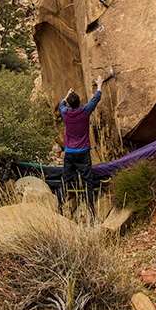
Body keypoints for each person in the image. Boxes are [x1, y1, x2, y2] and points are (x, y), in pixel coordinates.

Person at [57, 75, 104, 215]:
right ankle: (91, 212)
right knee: (87, 183)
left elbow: (61, 105)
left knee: (65, 181)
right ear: (79, 101)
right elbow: (95, 99)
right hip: (83, 152)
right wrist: (99, 85)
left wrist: (66, 96)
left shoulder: (66, 113)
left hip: (70, 153)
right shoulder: (84, 112)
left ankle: (59, 209)